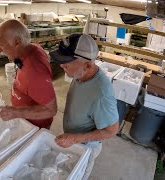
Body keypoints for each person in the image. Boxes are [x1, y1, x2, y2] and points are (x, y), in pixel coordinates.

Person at [50, 33, 119, 179]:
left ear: (88, 64)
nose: (61, 65)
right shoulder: (80, 74)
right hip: (74, 140)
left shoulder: (101, 94)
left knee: (78, 175)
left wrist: (74, 139)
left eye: (67, 62)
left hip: (86, 147)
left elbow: (111, 130)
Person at [0, 19, 57, 129]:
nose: (0, 50)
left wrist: (16, 112)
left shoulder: (35, 72)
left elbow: (50, 110)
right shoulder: (31, 48)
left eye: (2, 45)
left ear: (17, 42)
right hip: (26, 122)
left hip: (35, 127)